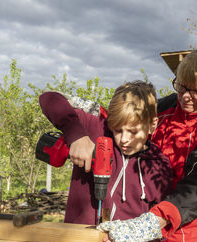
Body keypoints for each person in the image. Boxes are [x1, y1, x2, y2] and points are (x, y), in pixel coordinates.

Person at [96, 49, 197, 242]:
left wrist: (147, 225)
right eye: (181, 87)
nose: (185, 97)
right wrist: (77, 135)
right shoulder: (167, 107)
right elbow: (125, 121)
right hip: (156, 238)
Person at [39, 81, 173, 225]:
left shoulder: (159, 166)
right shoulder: (97, 129)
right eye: (118, 130)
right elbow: (49, 98)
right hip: (79, 240)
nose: (124, 140)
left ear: (152, 125)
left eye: (133, 132)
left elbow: (158, 220)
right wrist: (77, 136)